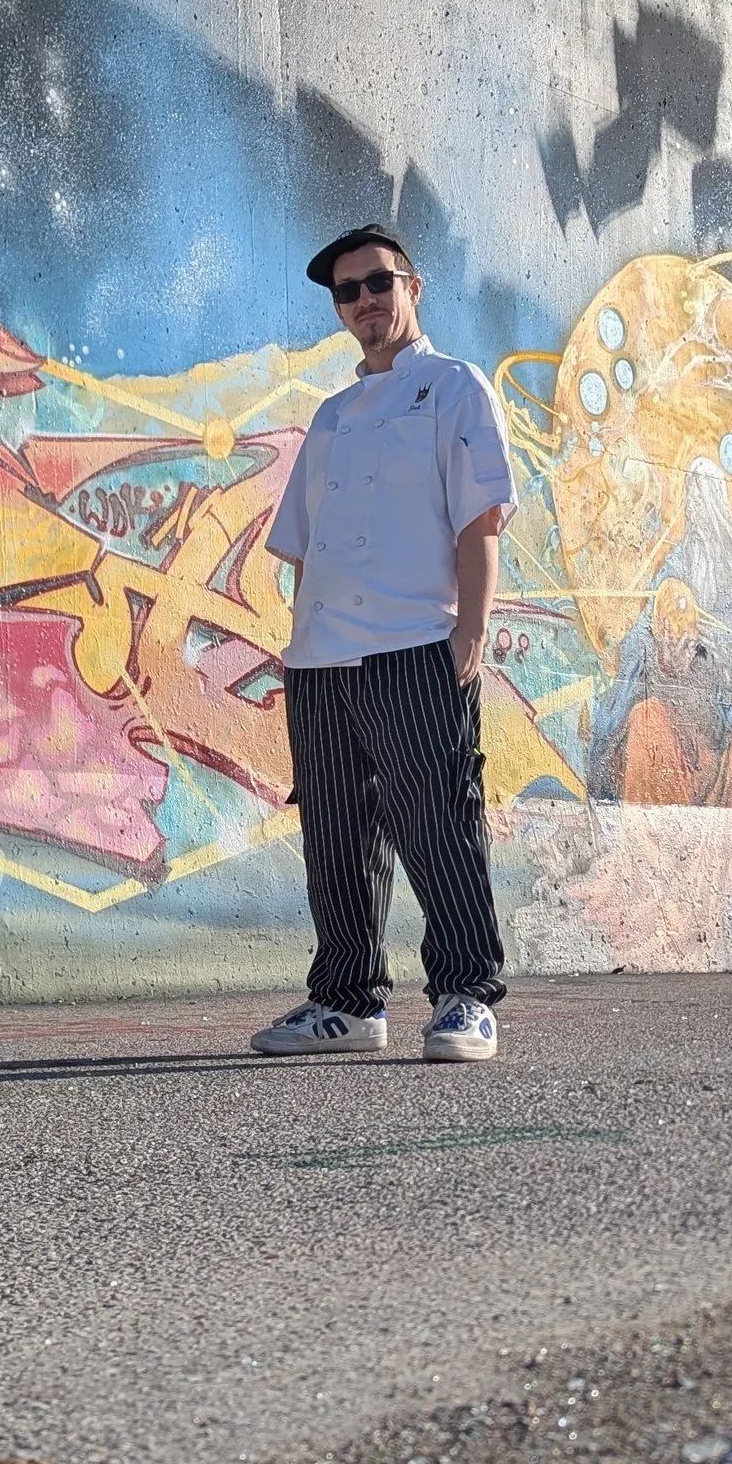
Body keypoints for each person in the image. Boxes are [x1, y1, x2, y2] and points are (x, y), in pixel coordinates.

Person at [252, 225, 514, 1062]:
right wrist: (298, 648)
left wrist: (470, 632)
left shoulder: (455, 388)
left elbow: (481, 521)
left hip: (416, 642)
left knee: (439, 825)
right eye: (347, 292)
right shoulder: (331, 417)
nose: (364, 300)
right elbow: (308, 545)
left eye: (378, 282)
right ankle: (346, 1004)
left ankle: (466, 997)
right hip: (322, 659)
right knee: (335, 837)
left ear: (412, 286)